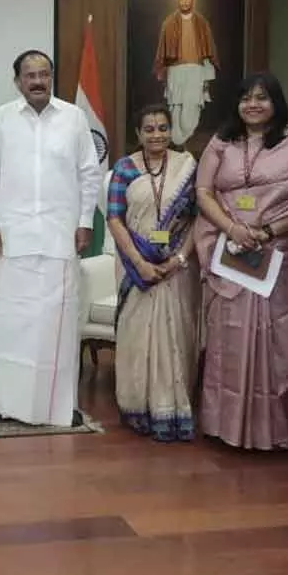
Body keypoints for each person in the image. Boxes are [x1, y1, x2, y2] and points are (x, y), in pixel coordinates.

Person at [0, 49, 102, 427]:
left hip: (59, 236)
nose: (37, 81)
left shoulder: (74, 118)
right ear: (18, 81)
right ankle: (7, 403)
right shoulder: (2, 118)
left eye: (44, 74)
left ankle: (59, 408)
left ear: (51, 78)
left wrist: (84, 221)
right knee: (12, 320)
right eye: (29, 75)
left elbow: (89, 173)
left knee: (56, 324)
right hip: (12, 239)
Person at [192, 72, 288, 451]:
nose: (253, 104)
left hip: (277, 254)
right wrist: (232, 228)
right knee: (226, 338)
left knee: (275, 340)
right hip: (227, 250)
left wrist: (266, 231)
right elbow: (203, 191)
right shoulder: (221, 141)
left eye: (262, 97)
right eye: (246, 97)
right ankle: (221, 425)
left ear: (276, 102)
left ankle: (272, 433)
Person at [106, 104, 200, 442]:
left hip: (179, 268)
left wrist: (178, 258)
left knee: (176, 337)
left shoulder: (187, 168)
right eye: (149, 129)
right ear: (138, 134)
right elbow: (115, 219)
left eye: (162, 128)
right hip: (138, 267)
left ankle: (174, 409)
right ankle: (139, 408)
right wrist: (141, 262)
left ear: (171, 130)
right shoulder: (125, 169)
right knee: (138, 336)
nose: (157, 134)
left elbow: (196, 220)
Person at [153, 0, 219, 147]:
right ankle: (176, 144)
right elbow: (163, 54)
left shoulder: (201, 23)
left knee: (192, 109)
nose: (184, 1)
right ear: (178, 1)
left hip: (196, 71)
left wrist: (207, 77)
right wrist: (164, 74)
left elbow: (208, 53)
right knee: (176, 108)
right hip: (176, 71)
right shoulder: (168, 23)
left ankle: (184, 141)